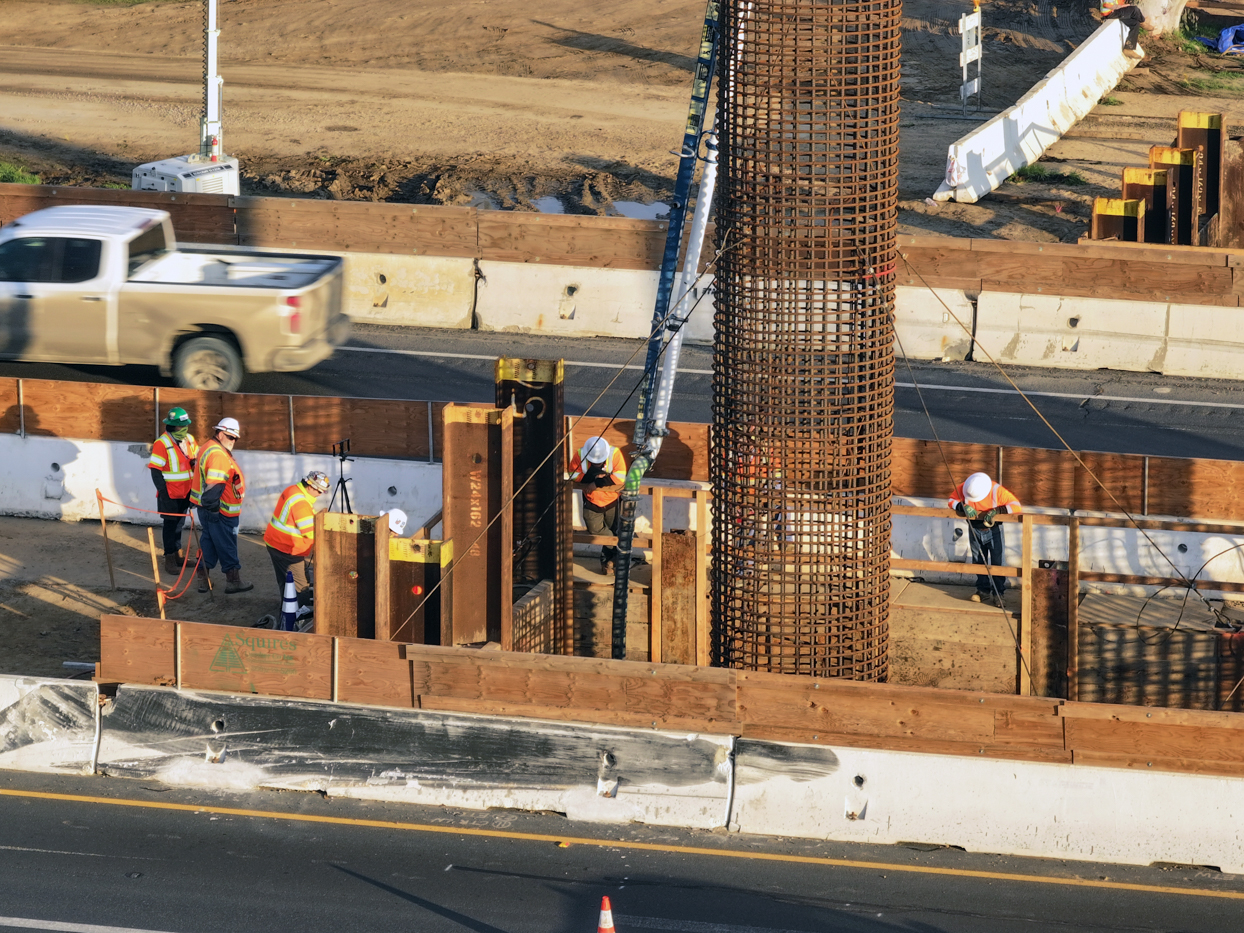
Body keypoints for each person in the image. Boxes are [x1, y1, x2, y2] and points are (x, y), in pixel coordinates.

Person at [190, 417, 253, 594]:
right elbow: (215, 486)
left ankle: (203, 579)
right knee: (227, 545)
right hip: (220, 510)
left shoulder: (209, 447)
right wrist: (214, 510)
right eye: (229, 436)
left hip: (210, 509)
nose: (233, 441)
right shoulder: (218, 455)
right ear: (219, 433)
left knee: (208, 543)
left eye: (235, 438)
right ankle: (233, 581)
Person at [948, 471, 1023, 606]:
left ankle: (998, 593)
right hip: (974, 529)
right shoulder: (966, 487)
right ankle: (982, 590)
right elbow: (951, 501)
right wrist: (962, 506)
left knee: (997, 562)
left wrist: (998, 511)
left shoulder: (996, 490)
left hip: (994, 530)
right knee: (978, 561)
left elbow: (1016, 506)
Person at [263, 470, 330, 606]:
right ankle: (301, 617)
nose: (320, 495)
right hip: (288, 549)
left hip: (276, 543)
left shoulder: (293, 489)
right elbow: (310, 533)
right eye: (319, 491)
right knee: (301, 588)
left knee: (285, 582)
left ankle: (286, 611)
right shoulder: (301, 503)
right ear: (311, 486)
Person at [147, 407, 198, 575]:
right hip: (169, 494)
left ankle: (178, 555)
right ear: (170, 426)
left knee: (179, 525)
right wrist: (164, 494)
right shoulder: (161, 443)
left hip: (186, 492)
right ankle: (169, 558)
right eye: (179, 426)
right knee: (170, 526)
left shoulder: (189, 439)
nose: (183, 429)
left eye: (185, 426)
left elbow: (195, 460)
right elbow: (155, 471)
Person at [569, 435, 627, 574]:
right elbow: (573, 474)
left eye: (599, 462)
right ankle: (618, 550)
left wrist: (597, 483)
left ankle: (608, 563)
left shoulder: (615, 454)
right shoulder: (580, 454)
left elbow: (620, 477)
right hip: (591, 500)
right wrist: (593, 476)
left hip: (612, 500)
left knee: (613, 530)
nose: (596, 464)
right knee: (596, 530)